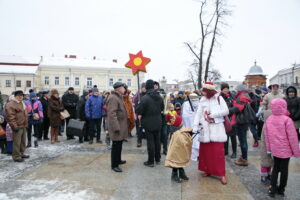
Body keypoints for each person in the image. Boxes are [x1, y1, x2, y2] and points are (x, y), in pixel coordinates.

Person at [193, 82, 229, 185]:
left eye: (204, 90)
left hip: (217, 129)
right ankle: (207, 170)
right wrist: (195, 125)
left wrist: (213, 114)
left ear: (209, 91)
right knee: (206, 152)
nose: (202, 92)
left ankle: (222, 174)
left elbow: (226, 111)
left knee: (218, 153)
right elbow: (198, 113)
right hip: (205, 129)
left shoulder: (218, 98)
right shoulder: (202, 100)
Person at [264, 98, 300, 197]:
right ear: (284, 107)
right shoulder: (287, 120)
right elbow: (292, 137)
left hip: (275, 150)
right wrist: (296, 152)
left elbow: (267, 136)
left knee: (275, 169)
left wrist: (269, 149)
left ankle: (272, 189)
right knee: (284, 170)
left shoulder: (269, 119)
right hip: (285, 151)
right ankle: (281, 189)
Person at [260, 84, 284, 185]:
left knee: (275, 153)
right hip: (268, 124)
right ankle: (264, 175)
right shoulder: (267, 96)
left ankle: (271, 174)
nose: (275, 87)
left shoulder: (282, 96)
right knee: (266, 152)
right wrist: (266, 113)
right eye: (273, 86)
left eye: (276, 86)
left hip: (279, 127)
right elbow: (263, 106)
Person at [136, 79, 164, 167]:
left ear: (147, 87)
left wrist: (139, 104)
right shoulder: (159, 96)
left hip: (148, 123)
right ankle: (158, 159)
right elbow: (162, 108)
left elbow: (139, 111)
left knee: (150, 142)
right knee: (157, 141)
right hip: (158, 122)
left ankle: (151, 161)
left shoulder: (145, 98)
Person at [107, 82, 128, 173]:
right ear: (119, 88)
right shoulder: (113, 98)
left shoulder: (118, 96)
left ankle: (118, 160)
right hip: (117, 126)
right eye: (123, 87)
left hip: (121, 125)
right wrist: (116, 127)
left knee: (119, 144)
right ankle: (114, 165)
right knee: (115, 146)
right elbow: (112, 114)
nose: (125, 89)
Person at [165, 114, 192, 183]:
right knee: (176, 162)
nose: (182, 122)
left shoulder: (179, 129)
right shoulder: (177, 134)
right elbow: (183, 141)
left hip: (180, 150)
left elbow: (185, 131)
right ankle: (174, 175)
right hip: (176, 150)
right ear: (177, 123)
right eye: (181, 121)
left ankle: (181, 172)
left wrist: (190, 132)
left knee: (180, 160)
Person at [230, 84, 252, 166]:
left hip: (241, 121)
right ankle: (243, 157)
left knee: (242, 141)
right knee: (243, 140)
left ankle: (244, 159)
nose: (235, 91)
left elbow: (239, 108)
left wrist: (228, 110)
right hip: (244, 121)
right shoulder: (244, 95)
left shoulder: (242, 96)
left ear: (239, 90)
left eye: (236, 90)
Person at [5, 90, 30, 162]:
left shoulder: (22, 103)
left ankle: (21, 153)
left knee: (23, 141)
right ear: (15, 96)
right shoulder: (11, 104)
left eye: (22, 95)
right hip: (17, 126)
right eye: (19, 95)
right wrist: (14, 126)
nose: (20, 97)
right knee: (17, 142)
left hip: (23, 125)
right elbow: (10, 117)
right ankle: (16, 156)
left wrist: (26, 123)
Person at [220, 83, 237, 159]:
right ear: (222, 90)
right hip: (223, 119)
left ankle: (234, 152)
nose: (226, 90)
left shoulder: (232, 96)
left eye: (227, 89)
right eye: (224, 89)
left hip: (231, 118)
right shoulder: (219, 97)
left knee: (233, 136)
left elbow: (235, 107)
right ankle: (225, 150)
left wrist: (229, 111)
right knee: (225, 136)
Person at [181, 93, 200, 161]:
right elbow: (184, 116)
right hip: (190, 127)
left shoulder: (187, 104)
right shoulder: (186, 104)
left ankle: (194, 155)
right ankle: (192, 156)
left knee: (195, 142)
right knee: (193, 142)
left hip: (194, 127)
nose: (195, 102)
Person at [133, 83, 147, 147]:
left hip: (146, 115)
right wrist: (137, 113)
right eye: (143, 87)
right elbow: (136, 106)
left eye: (145, 87)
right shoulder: (138, 96)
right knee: (139, 129)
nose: (143, 88)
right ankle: (139, 141)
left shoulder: (148, 95)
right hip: (139, 115)